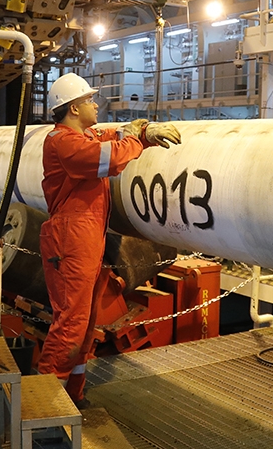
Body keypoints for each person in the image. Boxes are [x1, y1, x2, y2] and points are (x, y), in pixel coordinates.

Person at [36, 73, 181, 408]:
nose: (95, 104)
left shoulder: (83, 135)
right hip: (71, 241)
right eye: (89, 100)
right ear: (73, 108)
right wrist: (139, 142)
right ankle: (44, 405)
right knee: (70, 325)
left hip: (86, 238)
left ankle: (72, 396)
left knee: (86, 325)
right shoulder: (62, 142)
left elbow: (113, 136)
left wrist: (142, 131)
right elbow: (109, 158)